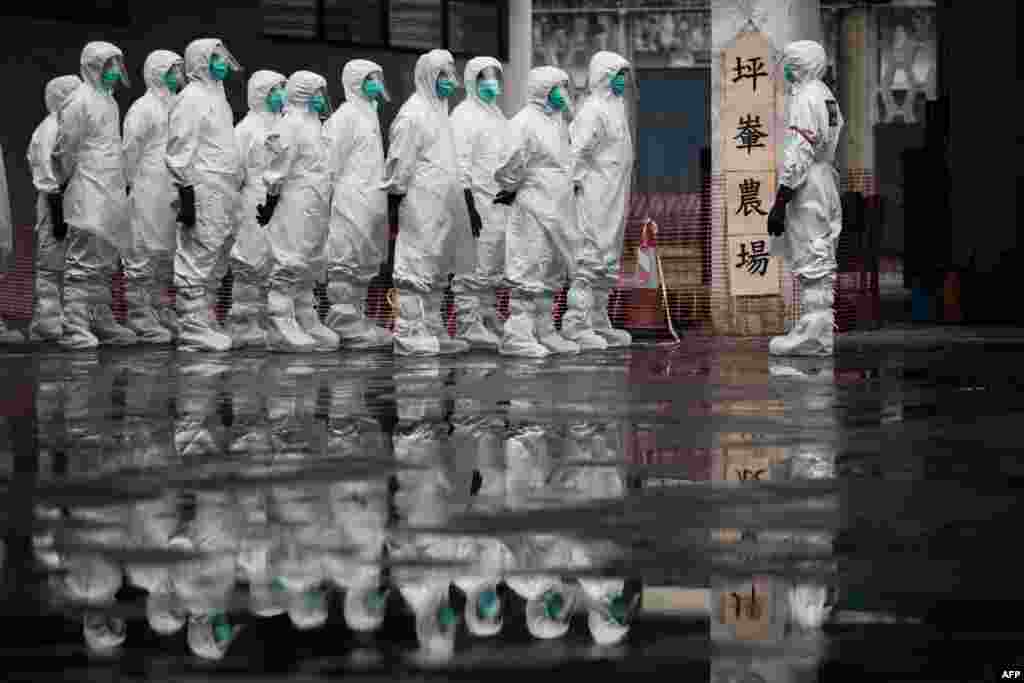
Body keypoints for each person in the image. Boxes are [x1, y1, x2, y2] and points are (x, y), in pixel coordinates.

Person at [382, 49, 475, 356]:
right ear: (428, 77)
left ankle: (432, 325)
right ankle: (408, 331)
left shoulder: (440, 112)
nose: (449, 81)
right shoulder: (413, 115)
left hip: (442, 205)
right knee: (416, 264)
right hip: (420, 204)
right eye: (443, 75)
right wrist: (395, 204)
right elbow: (399, 163)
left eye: (451, 74)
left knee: (436, 266)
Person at [492, 66, 582, 357]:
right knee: (528, 265)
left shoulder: (557, 122)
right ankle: (517, 334)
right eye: (558, 87)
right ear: (543, 88)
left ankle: (544, 329)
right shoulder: (523, 122)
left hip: (558, 207)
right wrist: (515, 186)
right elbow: (509, 163)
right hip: (533, 205)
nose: (563, 93)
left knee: (552, 267)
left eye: (565, 87)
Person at [53, 41, 137, 349]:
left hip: (109, 187)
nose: (115, 70)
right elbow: (65, 148)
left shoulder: (109, 101)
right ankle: (73, 323)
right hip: (87, 186)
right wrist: (65, 182)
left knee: (105, 257)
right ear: (93, 66)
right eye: (108, 64)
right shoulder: (79, 100)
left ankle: (100, 317)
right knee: (83, 256)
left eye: (118, 63)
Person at [766, 40, 844, 356]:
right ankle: (818, 326)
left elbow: (799, 151)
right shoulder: (826, 95)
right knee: (822, 250)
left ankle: (814, 330)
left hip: (808, 181)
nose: (785, 69)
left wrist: (781, 200)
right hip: (825, 177)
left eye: (789, 62)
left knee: (811, 251)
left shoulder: (806, 98)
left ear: (800, 64)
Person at [166, 38, 244, 352]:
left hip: (223, 189)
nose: (222, 63)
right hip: (202, 187)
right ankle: (191, 325)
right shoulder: (192, 97)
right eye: (214, 57)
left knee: (216, 253)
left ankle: (205, 317)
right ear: (200, 61)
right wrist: (185, 191)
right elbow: (179, 147)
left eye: (223, 57)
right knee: (197, 254)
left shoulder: (218, 97)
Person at [257, 70, 339, 353]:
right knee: (289, 258)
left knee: (310, 261)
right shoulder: (290, 123)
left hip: (316, 203)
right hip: (295, 201)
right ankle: (280, 321)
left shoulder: (316, 124)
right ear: (303, 93)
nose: (321, 98)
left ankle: (305, 316)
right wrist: (270, 200)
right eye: (316, 92)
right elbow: (277, 167)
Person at [562, 51, 636, 350]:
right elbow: (577, 153)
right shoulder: (592, 110)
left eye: (624, 75)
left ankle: (597, 319)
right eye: (618, 75)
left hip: (614, 195)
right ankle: (576, 323)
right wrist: (575, 189)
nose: (622, 81)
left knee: (607, 261)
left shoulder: (617, 107)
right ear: (604, 76)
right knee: (589, 258)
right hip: (594, 196)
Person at [322, 59, 393, 349]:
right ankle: (342, 320)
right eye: (370, 78)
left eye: (378, 77)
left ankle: (357, 318)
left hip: (370, 199)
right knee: (346, 261)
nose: (376, 83)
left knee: (365, 261)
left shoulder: (370, 114)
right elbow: (329, 163)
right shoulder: (346, 115)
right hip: (351, 199)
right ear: (354, 82)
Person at [122, 50, 186, 344]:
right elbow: (130, 151)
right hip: (148, 185)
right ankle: (139, 313)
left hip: (172, 188)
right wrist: (127, 184)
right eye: (173, 70)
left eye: (180, 69)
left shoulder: (181, 105)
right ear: (157, 72)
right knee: (144, 249)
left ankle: (160, 307)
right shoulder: (143, 108)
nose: (179, 75)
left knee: (166, 252)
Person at [449, 57, 508, 351]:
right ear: (472, 80)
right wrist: (467, 201)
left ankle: (487, 314)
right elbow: (458, 161)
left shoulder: (497, 114)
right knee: (472, 263)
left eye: (495, 75)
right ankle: (468, 322)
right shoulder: (464, 115)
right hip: (476, 201)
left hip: (497, 203)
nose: (491, 81)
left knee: (493, 261)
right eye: (484, 76)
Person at [228, 70, 287, 349]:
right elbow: (234, 172)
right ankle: (243, 322)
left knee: (272, 261)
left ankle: (264, 319)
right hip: (253, 200)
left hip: (279, 202)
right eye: (275, 90)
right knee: (249, 260)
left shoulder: (282, 126)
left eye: (283, 89)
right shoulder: (245, 129)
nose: (281, 95)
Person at [24, 75, 81, 343]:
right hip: (53, 202)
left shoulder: (69, 127)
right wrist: (57, 214)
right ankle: (46, 320)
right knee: (50, 261)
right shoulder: (49, 129)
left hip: (71, 201)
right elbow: (46, 174)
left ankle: (65, 318)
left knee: (70, 261)